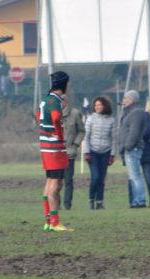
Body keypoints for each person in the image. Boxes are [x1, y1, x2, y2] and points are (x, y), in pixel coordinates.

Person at [36, 70, 73, 232]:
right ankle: (55, 222)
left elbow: (38, 115)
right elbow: (57, 117)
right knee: (56, 184)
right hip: (54, 148)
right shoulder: (54, 101)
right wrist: (57, 133)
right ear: (65, 84)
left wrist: (46, 129)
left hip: (46, 147)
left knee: (50, 182)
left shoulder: (46, 99)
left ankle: (48, 221)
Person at [83, 96, 116, 209]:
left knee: (101, 178)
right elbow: (86, 137)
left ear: (105, 106)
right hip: (93, 152)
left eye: (99, 105)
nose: (97, 107)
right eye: (95, 105)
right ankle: (91, 199)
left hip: (105, 152)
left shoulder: (111, 120)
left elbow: (113, 139)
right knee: (95, 177)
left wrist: (112, 154)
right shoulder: (90, 119)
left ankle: (100, 202)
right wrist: (86, 152)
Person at [119, 90, 148, 208]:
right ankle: (136, 200)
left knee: (135, 176)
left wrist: (128, 146)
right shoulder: (131, 112)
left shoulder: (136, 113)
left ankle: (140, 201)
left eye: (125, 98)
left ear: (131, 99)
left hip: (133, 149)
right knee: (133, 176)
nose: (124, 101)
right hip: (131, 148)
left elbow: (134, 132)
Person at [61, 95, 86, 210]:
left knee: (68, 180)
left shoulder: (75, 114)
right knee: (55, 180)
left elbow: (81, 131)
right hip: (55, 153)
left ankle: (67, 204)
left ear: (66, 101)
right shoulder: (51, 114)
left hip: (69, 153)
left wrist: (76, 144)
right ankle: (55, 203)